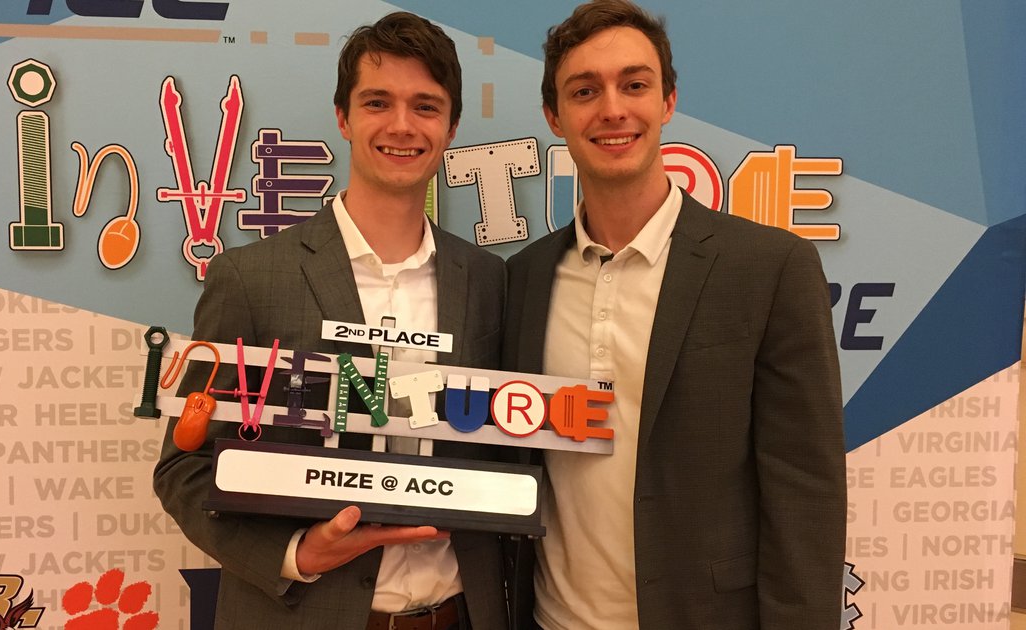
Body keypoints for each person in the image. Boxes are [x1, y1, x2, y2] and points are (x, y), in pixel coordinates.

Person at [153, 12, 509, 630]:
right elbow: (183, 466)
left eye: (425, 106)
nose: (402, 125)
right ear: (343, 117)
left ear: (451, 127)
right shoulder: (249, 278)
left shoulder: (491, 281)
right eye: (378, 102)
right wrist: (295, 553)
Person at [500, 1, 846, 628]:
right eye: (585, 91)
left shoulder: (769, 269)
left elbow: (806, 493)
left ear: (667, 101)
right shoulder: (523, 279)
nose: (612, 109)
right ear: (554, 115)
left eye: (634, 84)